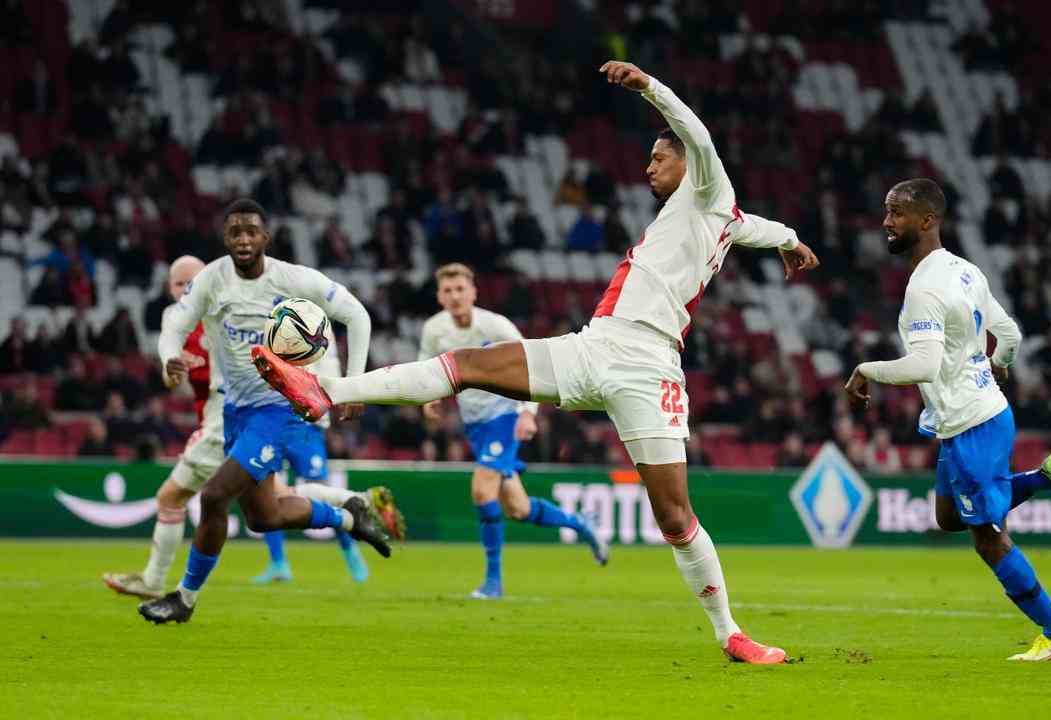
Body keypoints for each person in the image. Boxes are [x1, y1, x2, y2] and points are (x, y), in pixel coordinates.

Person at [253, 61, 820, 664]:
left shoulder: (708, 186)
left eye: (659, 159)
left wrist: (649, 88)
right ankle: (326, 389)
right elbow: (757, 227)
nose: (648, 168)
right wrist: (791, 242)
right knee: (465, 362)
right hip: (593, 344)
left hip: (649, 366)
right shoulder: (719, 218)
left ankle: (729, 632)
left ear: (686, 165)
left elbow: (699, 136)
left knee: (675, 515)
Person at [846, 178, 1051, 662]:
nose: (886, 222)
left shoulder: (924, 289)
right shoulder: (966, 271)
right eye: (886, 212)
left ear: (927, 220)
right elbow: (1007, 334)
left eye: (896, 213)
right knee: (948, 517)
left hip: (972, 426)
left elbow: (923, 366)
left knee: (989, 539)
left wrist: (867, 370)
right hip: (972, 419)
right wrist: (1000, 361)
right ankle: (1047, 474)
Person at [136, 199, 394, 625]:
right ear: (226, 238)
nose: (243, 239)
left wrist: (353, 385)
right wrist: (169, 357)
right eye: (235, 232)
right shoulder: (211, 280)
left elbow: (357, 314)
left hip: (277, 410)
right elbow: (175, 326)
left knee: (214, 495)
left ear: (264, 237)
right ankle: (350, 515)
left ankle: (183, 598)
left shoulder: (291, 278)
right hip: (235, 410)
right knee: (262, 516)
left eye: (250, 231)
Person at [420, 263, 607, 599]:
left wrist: (527, 413)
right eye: (448, 291)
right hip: (474, 424)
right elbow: (426, 367)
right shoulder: (434, 330)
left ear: (473, 292)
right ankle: (581, 523)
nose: (455, 296)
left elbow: (531, 366)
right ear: (439, 296)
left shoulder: (496, 326)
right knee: (518, 508)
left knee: (481, 491)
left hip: (504, 415)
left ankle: (493, 582)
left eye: (461, 289)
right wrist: (428, 399)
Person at [252, 330, 406, 586]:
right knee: (266, 492)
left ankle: (351, 550)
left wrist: (324, 408)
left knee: (319, 490)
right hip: (270, 419)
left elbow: (330, 364)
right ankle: (278, 563)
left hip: (305, 423)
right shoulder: (269, 315)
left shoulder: (317, 322)